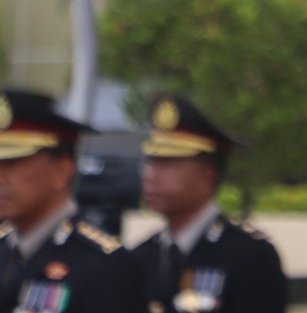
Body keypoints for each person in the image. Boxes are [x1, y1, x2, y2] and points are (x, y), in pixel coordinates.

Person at [132, 94, 287, 313]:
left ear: (207, 175)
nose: (150, 175)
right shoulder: (141, 257)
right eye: (151, 161)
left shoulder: (248, 256)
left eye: (167, 162)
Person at [0, 88, 143, 313]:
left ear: (62, 171)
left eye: (13, 163)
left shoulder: (105, 266)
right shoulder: (4, 248)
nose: (1, 177)